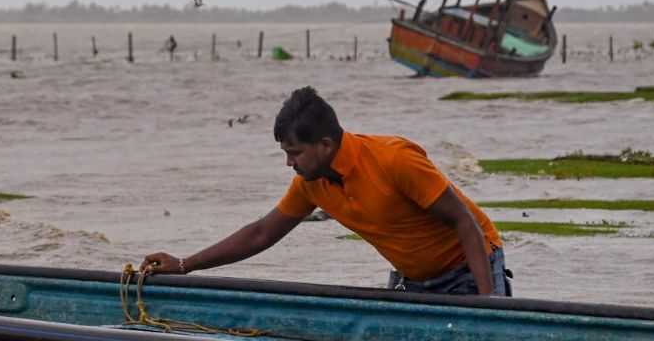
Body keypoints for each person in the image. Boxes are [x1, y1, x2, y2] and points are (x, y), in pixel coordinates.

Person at [143, 86, 511, 296]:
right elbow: (260, 233)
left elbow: (465, 223)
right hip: (413, 279)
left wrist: (488, 305)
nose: (290, 164)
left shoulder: (394, 160)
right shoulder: (312, 184)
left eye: (295, 153)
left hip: (468, 267)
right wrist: (184, 265)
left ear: (324, 144)